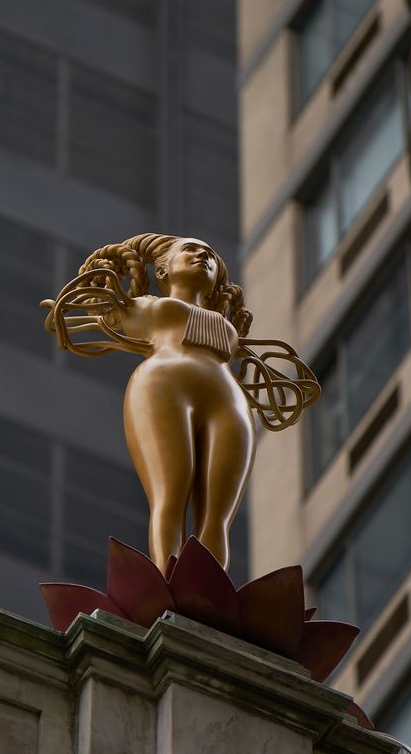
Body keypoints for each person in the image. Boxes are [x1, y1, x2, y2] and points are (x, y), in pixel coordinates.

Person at [42, 233, 319, 575]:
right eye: (190, 250)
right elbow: (92, 310)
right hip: (163, 385)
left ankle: (207, 590)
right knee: (170, 496)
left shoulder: (228, 325)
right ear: (163, 270)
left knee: (217, 515)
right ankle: (167, 579)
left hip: (228, 399)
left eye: (211, 256)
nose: (203, 256)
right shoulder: (144, 306)